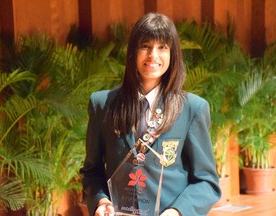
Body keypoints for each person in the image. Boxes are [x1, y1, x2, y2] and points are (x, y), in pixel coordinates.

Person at [80, 12, 221, 216]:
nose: (153, 55)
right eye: (145, 46)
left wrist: (177, 212)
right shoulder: (102, 104)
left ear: (173, 54)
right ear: (132, 52)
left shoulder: (193, 108)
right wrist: (101, 201)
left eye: (162, 47)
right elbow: (92, 171)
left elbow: (207, 182)